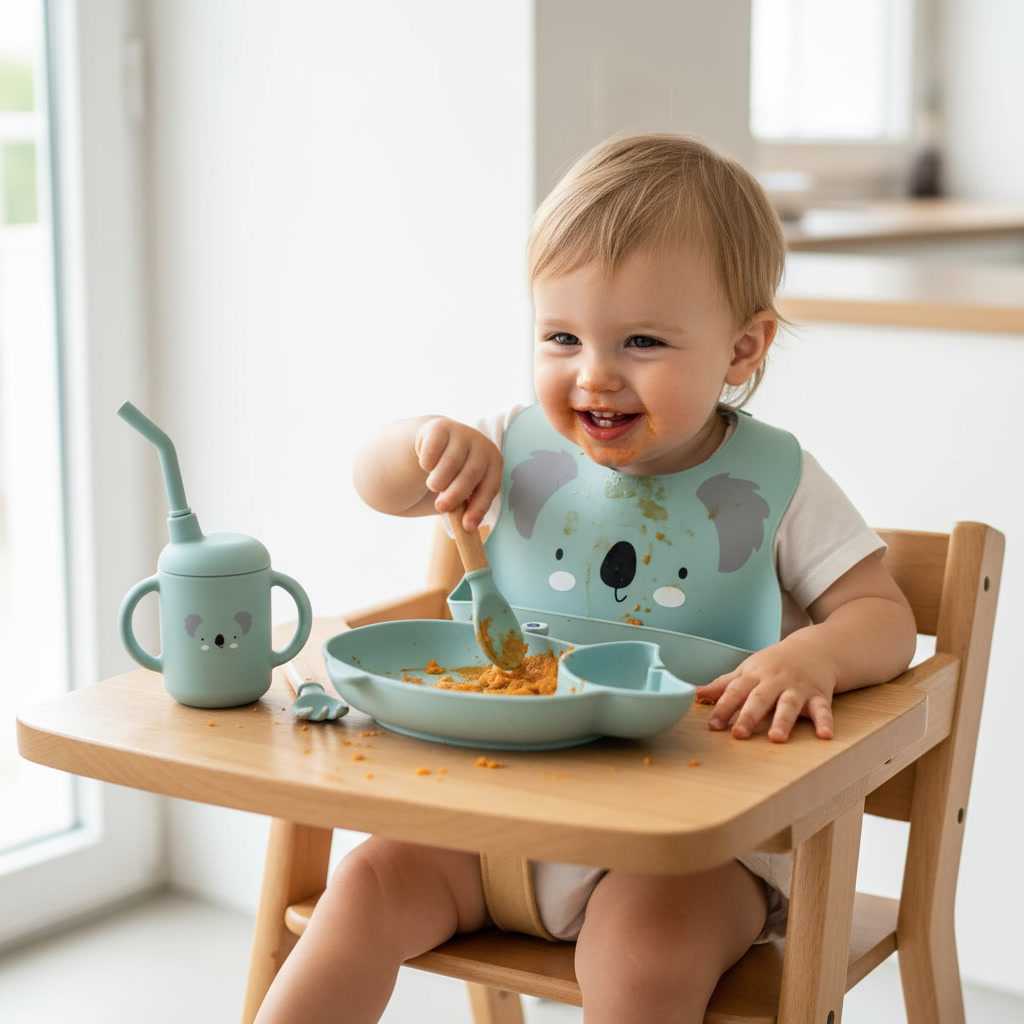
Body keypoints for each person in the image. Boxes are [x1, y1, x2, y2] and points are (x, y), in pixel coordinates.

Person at [255, 133, 916, 1024]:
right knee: (366, 884)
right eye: (562, 336)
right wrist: (423, 441)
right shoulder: (510, 449)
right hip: (496, 813)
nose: (594, 374)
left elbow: (884, 616)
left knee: (643, 960)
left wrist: (815, 659)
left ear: (741, 348)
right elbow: (377, 485)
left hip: (688, 846)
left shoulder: (778, 481)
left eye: (641, 340)